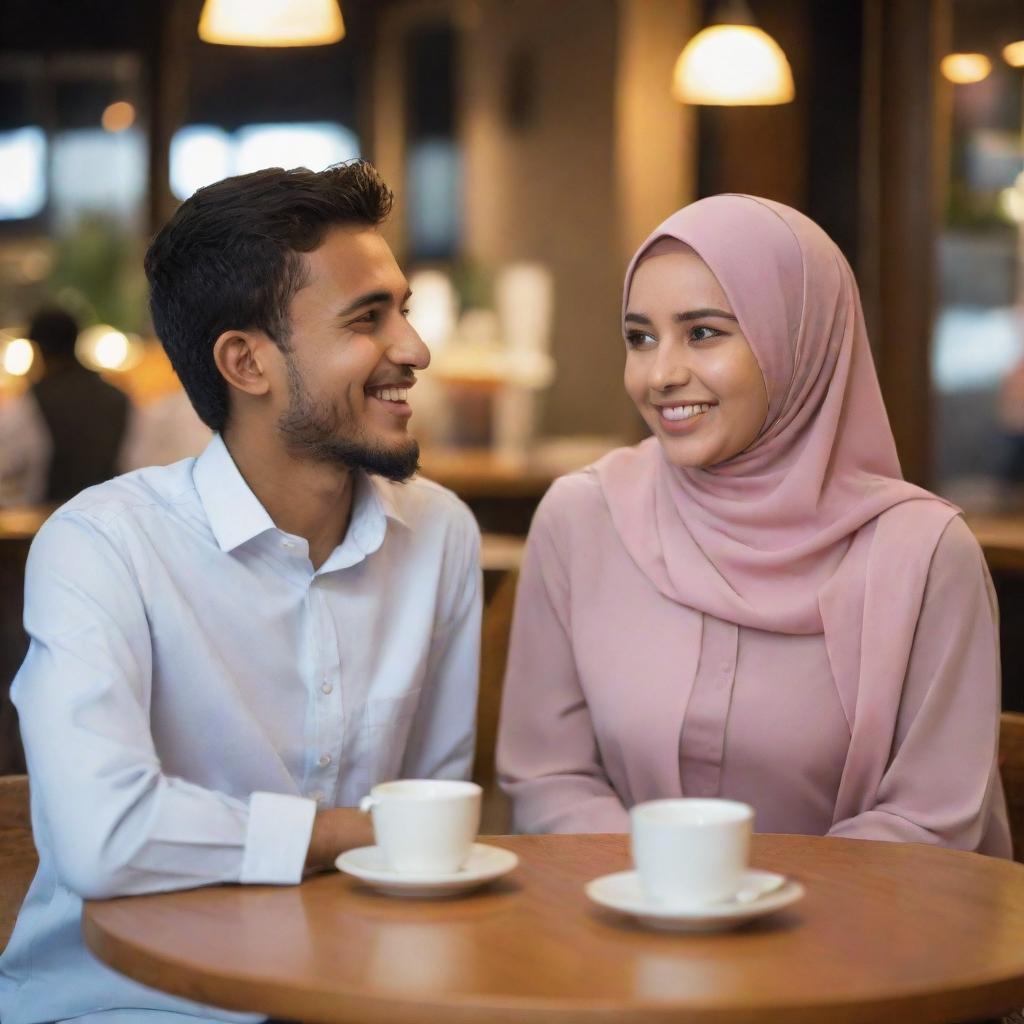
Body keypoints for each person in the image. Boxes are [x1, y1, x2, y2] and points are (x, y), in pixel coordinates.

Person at [0, 161, 482, 1023]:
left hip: (351, 994)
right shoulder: (102, 544)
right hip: (121, 1004)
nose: (413, 348)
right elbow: (100, 836)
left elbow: (429, 831)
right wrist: (335, 834)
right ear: (246, 362)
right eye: (368, 319)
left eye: (401, 309)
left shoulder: (440, 533)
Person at [497, 195, 1010, 855]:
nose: (661, 374)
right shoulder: (583, 517)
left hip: (860, 943)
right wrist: (671, 891)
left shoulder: (925, 555)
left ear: (797, 339)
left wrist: (747, 901)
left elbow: (929, 819)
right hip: (621, 927)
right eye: (640, 337)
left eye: (703, 332)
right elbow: (548, 775)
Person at [0, 307, 130, 506]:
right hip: (110, 511)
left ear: (38, 349)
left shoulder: (33, 400)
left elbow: (9, 462)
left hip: (49, 515)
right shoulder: (115, 396)